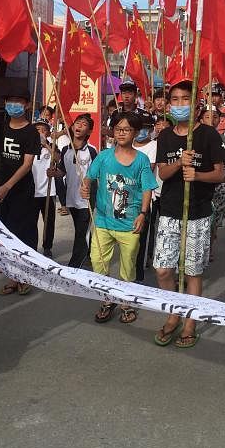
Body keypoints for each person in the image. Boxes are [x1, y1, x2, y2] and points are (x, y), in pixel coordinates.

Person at [153, 80, 225, 349]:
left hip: (197, 212)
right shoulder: (165, 136)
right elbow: (162, 172)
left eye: (186, 99)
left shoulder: (208, 134)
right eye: (175, 99)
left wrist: (197, 174)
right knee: (163, 269)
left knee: (193, 271)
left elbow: (219, 174)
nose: (180, 104)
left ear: (197, 105)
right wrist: (178, 162)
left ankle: (190, 322)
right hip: (169, 211)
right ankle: (174, 313)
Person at [81, 111, 156, 323]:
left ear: (135, 133)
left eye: (126, 130)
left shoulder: (141, 160)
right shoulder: (104, 156)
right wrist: (84, 187)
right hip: (103, 221)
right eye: (118, 129)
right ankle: (107, 299)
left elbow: (147, 189)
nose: (121, 133)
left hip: (130, 224)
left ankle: (126, 303)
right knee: (97, 261)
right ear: (113, 132)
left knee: (128, 266)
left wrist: (143, 213)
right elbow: (88, 178)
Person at [0, 90, 41, 296]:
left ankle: (25, 275)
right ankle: (12, 276)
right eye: (10, 100)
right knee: (6, 234)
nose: (13, 105)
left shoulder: (31, 133)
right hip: (3, 193)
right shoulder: (0, 128)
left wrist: (7, 187)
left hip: (21, 191)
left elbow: (27, 165)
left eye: (18, 102)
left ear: (26, 105)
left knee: (23, 234)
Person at [48, 114, 98, 268]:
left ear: (89, 132)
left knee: (81, 232)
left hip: (86, 199)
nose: (79, 126)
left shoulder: (91, 150)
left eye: (84, 124)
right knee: (79, 229)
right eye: (78, 123)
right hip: (71, 198)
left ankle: (74, 264)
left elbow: (96, 173)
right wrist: (54, 172)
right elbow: (63, 172)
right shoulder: (65, 150)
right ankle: (89, 254)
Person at [200, 106, 225, 261]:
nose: (212, 120)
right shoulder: (194, 136)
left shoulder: (221, 138)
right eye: (207, 116)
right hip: (201, 184)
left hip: (218, 186)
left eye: (215, 116)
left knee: (214, 220)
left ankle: (210, 245)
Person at [133, 115, 158, 282]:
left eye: (147, 128)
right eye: (140, 127)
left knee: (141, 237)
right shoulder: (126, 145)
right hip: (124, 197)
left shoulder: (154, 145)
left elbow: (147, 170)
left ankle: (138, 276)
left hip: (144, 197)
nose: (143, 131)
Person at [32, 117, 56, 258]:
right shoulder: (28, 146)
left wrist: (46, 145)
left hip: (48, 191)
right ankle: (32, 247)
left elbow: (58, 158)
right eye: (37, 130)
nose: (40, 132)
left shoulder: (52, 146)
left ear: (48, 132)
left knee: (48, 221)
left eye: (43, 130)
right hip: (32, 191)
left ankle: (47, 247)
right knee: (31, 222)